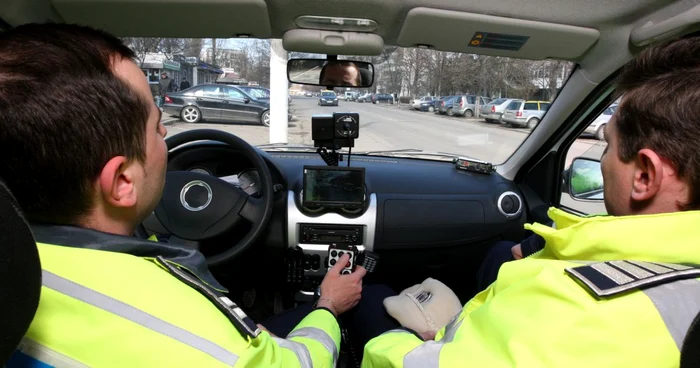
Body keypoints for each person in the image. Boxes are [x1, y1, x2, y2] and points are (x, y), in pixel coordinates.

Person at [0, 23, 367, 367]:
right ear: (123, 182)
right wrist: (328, 305)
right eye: (156, 126)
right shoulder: (192, 332)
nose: (164, 131)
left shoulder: (14, 263)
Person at [362, 34, 700, 367]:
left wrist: (330, 310)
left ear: (644, 176)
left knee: (371, 297)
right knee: (497, 254)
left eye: (608, 146)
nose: (603, 160)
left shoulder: (567, 313)